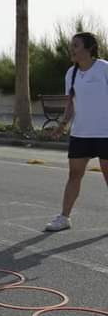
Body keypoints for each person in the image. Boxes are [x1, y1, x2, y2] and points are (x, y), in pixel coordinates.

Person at [45, 32, 108, 232]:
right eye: (72, 45)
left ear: (89, 48)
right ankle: (64, 218)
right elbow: (70, 104)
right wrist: (62, 125)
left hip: (105, 132)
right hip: (80, 132)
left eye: (76, 45)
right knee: (74, 175)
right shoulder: (71, 73)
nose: (72, 49)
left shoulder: (104, 69)